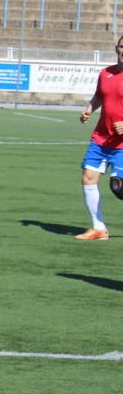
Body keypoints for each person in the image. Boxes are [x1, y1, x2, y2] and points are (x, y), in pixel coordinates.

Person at [75, 35, 123, 240]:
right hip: (101, 138)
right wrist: (89, 109)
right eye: (122, 46)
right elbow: (99, 96)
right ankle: (99, 228)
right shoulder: (105, 73)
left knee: (117, 185)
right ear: (117, 48)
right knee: (88, 178)